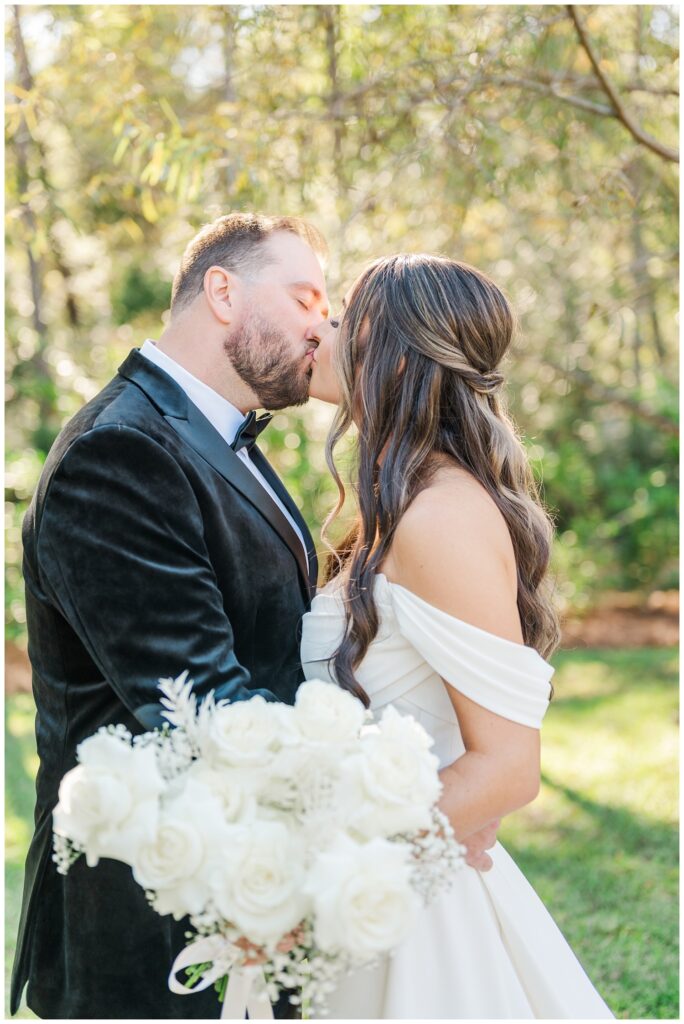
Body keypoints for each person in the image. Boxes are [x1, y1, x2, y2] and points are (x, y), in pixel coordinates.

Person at [11, 213, 329, 1020]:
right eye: (304, 297)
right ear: (222, 292)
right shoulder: (119, 452)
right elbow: (198, 707)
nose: (321, 325)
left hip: (237, 888)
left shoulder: (221, 439)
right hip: (148, 925)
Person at [301, 252, 614, 1018]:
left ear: (394, 352)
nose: (325, 328)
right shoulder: (401, 502)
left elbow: (508, 767)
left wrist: (321, 870)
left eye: (345, 315)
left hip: (414, 918)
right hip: (383, 890)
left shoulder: (440, 514)